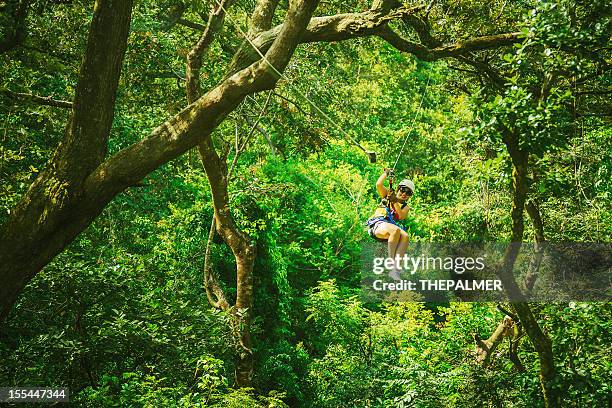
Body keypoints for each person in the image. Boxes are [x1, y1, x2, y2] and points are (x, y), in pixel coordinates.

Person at [366, 169, 414, 280]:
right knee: (395, 231)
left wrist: (394, 201)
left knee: (405, 237)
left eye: (408, 193)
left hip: (389, 226)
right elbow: (379, 184)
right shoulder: (387, 195)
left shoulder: (405, 207)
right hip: (378, 224)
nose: (404, 194)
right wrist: (386, 174)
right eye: (403, 190)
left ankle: (396, 270)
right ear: (398, 189)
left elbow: (401, 215)